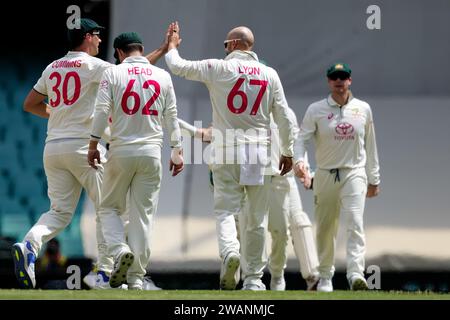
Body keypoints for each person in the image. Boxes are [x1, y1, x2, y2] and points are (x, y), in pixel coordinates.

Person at [12, 18, 169, 290]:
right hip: (83, 147)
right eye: (97, 35)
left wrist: (60, 115)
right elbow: (133, 74)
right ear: (87, 36)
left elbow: (30, 104)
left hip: (54, 148)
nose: (99, 40)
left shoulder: (53, 67)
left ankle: (28, 245)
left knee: (59, 213)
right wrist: (163, 51)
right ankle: (106, 271)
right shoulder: (95, 66)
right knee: (109, 208)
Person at [165, 22, 295, 291]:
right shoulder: (269, 74)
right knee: (257, 219)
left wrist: (172, 46)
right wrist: (288, 151)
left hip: (226, 146)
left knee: (226, 210)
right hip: (259, 150)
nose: (224, 50)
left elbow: (177, 66)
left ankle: (230, 252)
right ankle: (254, 280)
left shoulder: (219, 68)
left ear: (234, 44)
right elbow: (283, 116)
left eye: (226, 45)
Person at [88, 32, 183, 290]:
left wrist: (93, 144)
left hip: (121, 151)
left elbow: (101, 111)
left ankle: (119, 251)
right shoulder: (162, 77)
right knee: (143, 217)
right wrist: (177, 149)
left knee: (108, 208)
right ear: (140, 49)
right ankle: (137, 278)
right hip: (152, 153)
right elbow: (171, 115)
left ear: (119, 52)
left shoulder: (113, 73)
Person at [294, 63, 380, 292]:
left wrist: (374, 179)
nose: (339, 81)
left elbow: (370, 145)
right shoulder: (316, 109)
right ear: (328, 81)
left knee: (355, 222)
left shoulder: (363, 109)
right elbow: (301, 139)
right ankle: (324, 277)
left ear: (350, 80)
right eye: (334, 78)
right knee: (325, 227)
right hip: (324, 174)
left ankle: (355, 274)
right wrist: (300, 162)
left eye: (343, 77)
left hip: (354, 173)